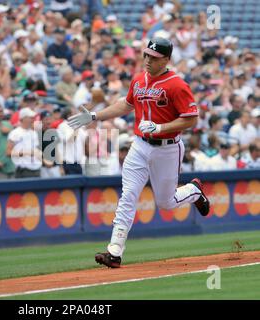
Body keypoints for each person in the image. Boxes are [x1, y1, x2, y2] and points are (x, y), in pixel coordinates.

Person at [68, 37, 210, 268]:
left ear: (166, 59)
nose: (147, 60)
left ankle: (193, 191)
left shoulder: (177, 84)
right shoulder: (138, 79)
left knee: (166, 202)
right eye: (146, 55)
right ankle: (114, 250)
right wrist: (95, 116)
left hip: (168, 148)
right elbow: (125, 105)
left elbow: (191, 119)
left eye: (153, 57)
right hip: (140, 145)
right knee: (128, 195)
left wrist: (160, 127)